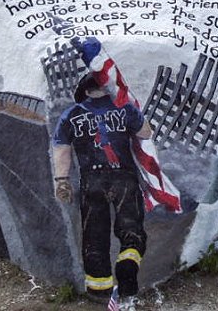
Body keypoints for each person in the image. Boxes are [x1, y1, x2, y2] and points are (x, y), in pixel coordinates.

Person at [51, 74, 152, 307]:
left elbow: (62, 149)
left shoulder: (71, 115)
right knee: (131, 229)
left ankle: (99, 290)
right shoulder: (124, 107)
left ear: (85, 91)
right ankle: (128, 267)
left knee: (94, 235)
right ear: (107, 89)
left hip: (91, 181)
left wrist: (61, 180)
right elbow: (146, 133)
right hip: (123, 178)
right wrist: (135, 111)